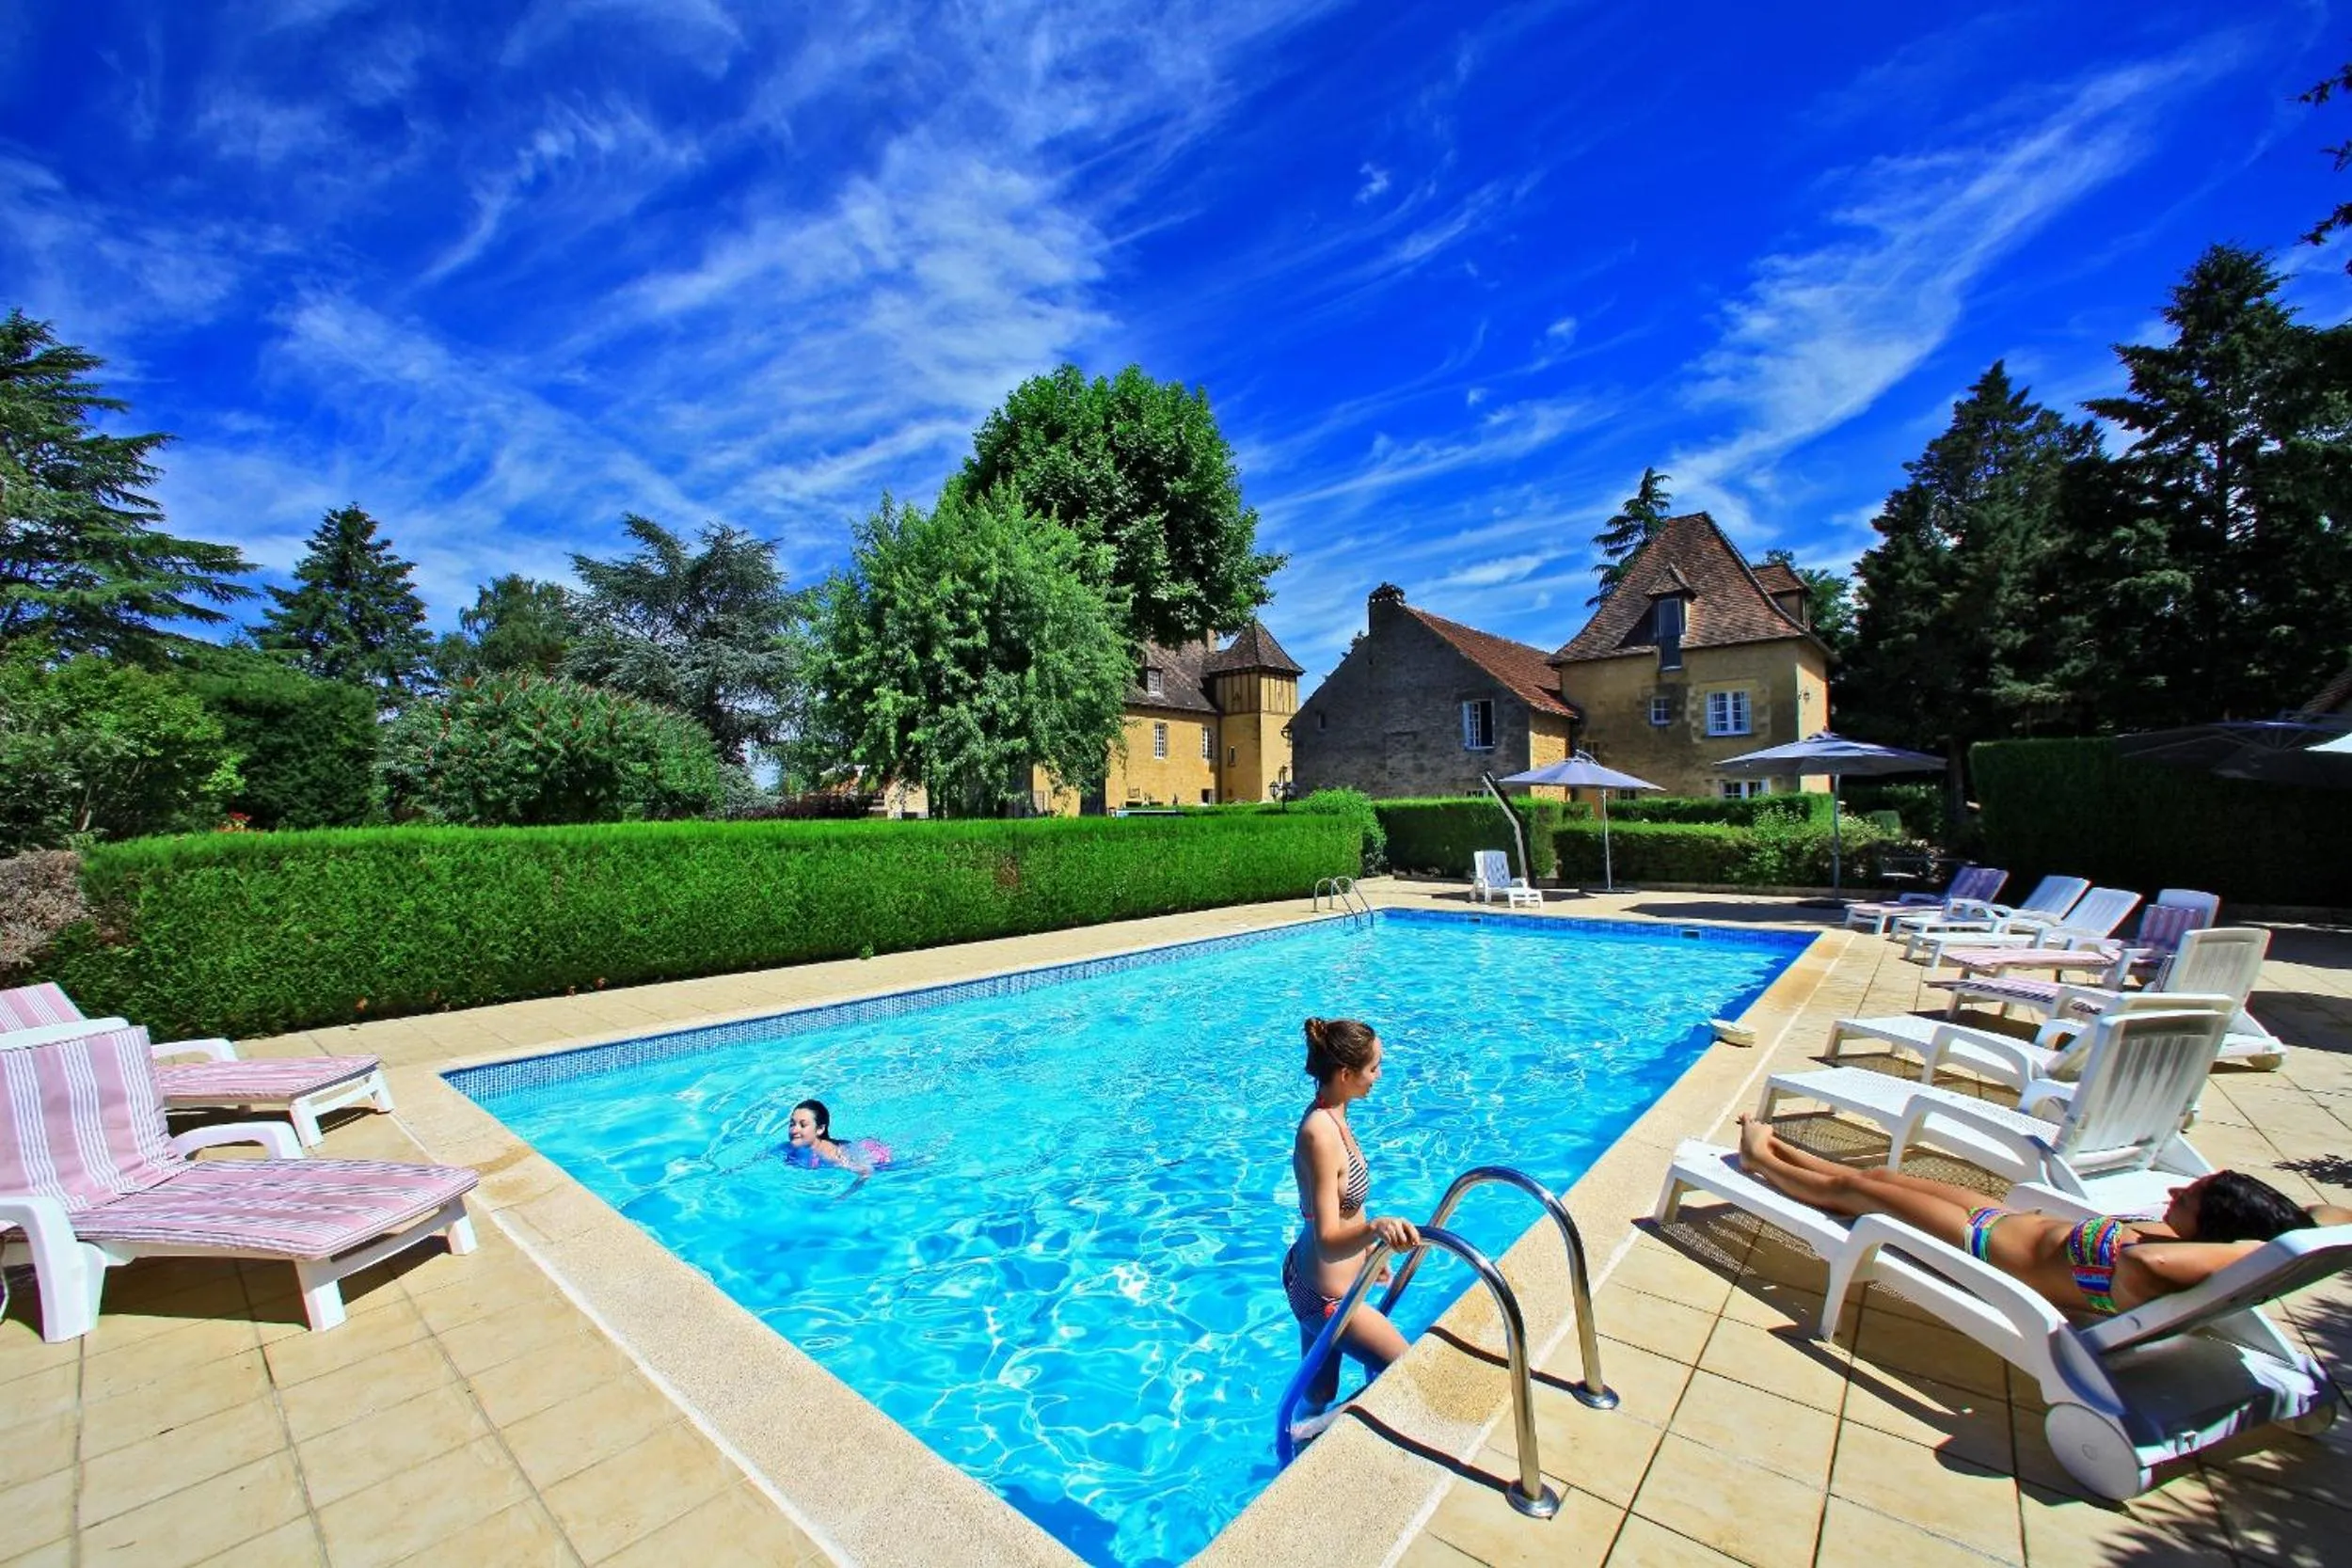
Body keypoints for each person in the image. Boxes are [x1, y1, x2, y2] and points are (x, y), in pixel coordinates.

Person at [1733, 1114, 2315, 1315]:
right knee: (1877, 1177)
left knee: (1855, 1197)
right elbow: (2329, 1214)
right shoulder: (2211, 1245)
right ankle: (1788, 1150)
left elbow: (2156, 1259)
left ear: (2220, 1233)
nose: (2172, 1195)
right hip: (2004, 1219)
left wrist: (2255, 1250)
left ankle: (1760, 1157)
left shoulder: (2165, 1263)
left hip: (1984, 1246)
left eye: (2187, 1199)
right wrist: (2289, 1239)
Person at [1286, 1017, 1422, 1407]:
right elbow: (1329, 1240)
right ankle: (1309, 1433)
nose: (1378, 1076)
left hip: (1326, 1278)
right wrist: (1375, 1231)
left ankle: (1300, 1441)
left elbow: (1347, 1208)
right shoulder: (1320, 1133)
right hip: (1325, 1294)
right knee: (1407, 1370)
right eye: (1373, 1068)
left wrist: (1365, 1256)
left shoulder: (1335, 1111)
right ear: (1345, 1073)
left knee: (1320, 1392)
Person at [783, 1099, 892, 1176]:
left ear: (820, 1129)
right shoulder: (789, 1147)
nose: (794, 1130)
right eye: (792, 1124)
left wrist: (842, 1198)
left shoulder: (833, 1156)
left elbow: (866, 1172)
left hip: (875, 1157)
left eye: (803, 1125)